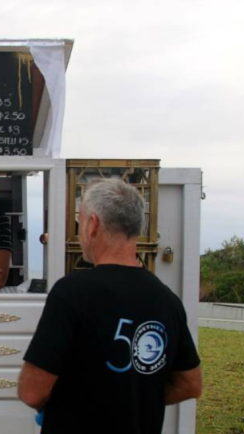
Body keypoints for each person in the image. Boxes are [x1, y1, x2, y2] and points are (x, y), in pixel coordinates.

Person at [18, 178, 202, 433]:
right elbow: (190, 384)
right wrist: (130, 403)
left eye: (79, 222)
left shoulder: (71, 292)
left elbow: (31, 391)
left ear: (92, 224)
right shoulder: (167, 300)